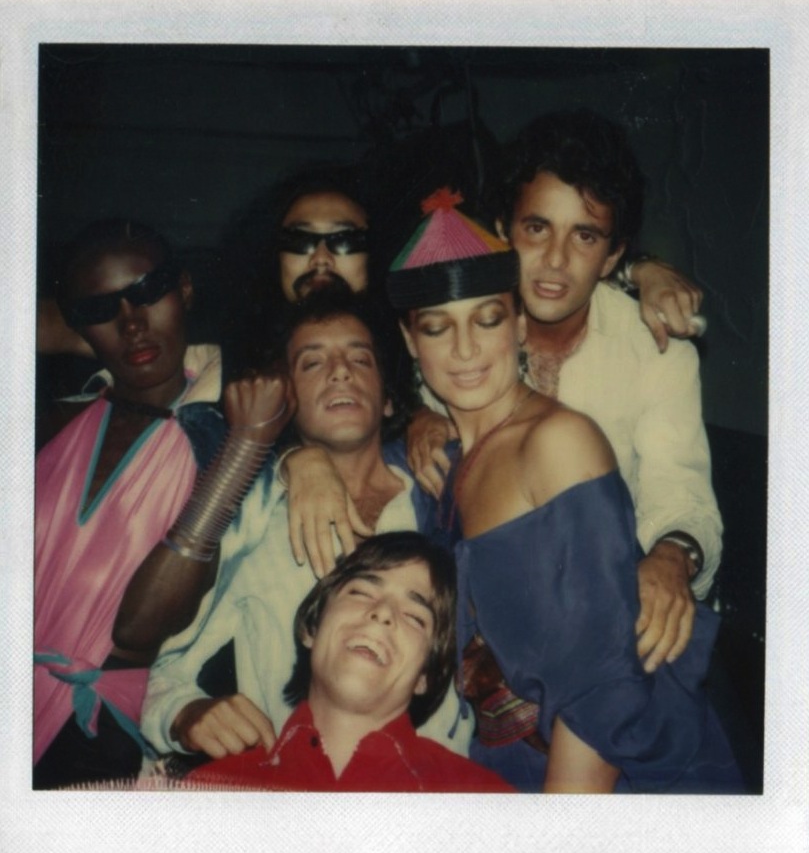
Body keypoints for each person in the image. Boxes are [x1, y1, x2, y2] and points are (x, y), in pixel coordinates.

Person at [386, 188, 743, 794]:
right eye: (438, 328)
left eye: (488, 320)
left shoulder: (557, 443)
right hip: (503, 764)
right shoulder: (447, 457)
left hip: (602, 778)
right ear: (409, 341)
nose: (465, 350)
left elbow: (607, 685)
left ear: (520, 325)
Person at [405, 111, 722, 673]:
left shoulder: (656, 351)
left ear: (613, 256)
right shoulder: (463, 320)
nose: (555, 260)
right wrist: (414, 414)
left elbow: (679, 488)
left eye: (585, 236)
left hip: (616, 621)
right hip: (482, 629)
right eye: (537, 229)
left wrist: (672, 557)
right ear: (503, 231)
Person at [128, 289, 471, 769]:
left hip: (437, 787)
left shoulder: (442, 488)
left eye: (360, 359)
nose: (340, 372)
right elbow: (154, 668)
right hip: (298, 786)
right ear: (288, 403)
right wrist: (185, 713)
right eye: (313, 363)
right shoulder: (255, 514)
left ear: (389, 401)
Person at [32, 219, 256, 789]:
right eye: (100, 308)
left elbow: (140, 631)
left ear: (184, 289)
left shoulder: (231, 432)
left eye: (148, 291)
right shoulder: (53, 422)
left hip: (106, 736)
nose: (131, 324)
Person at [184, 533, 514, 792]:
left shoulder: (479, 800)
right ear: (311, 628)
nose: (382, 612)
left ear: (424, 676)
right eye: (360, 592)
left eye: (415, 616)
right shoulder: (213, 791)